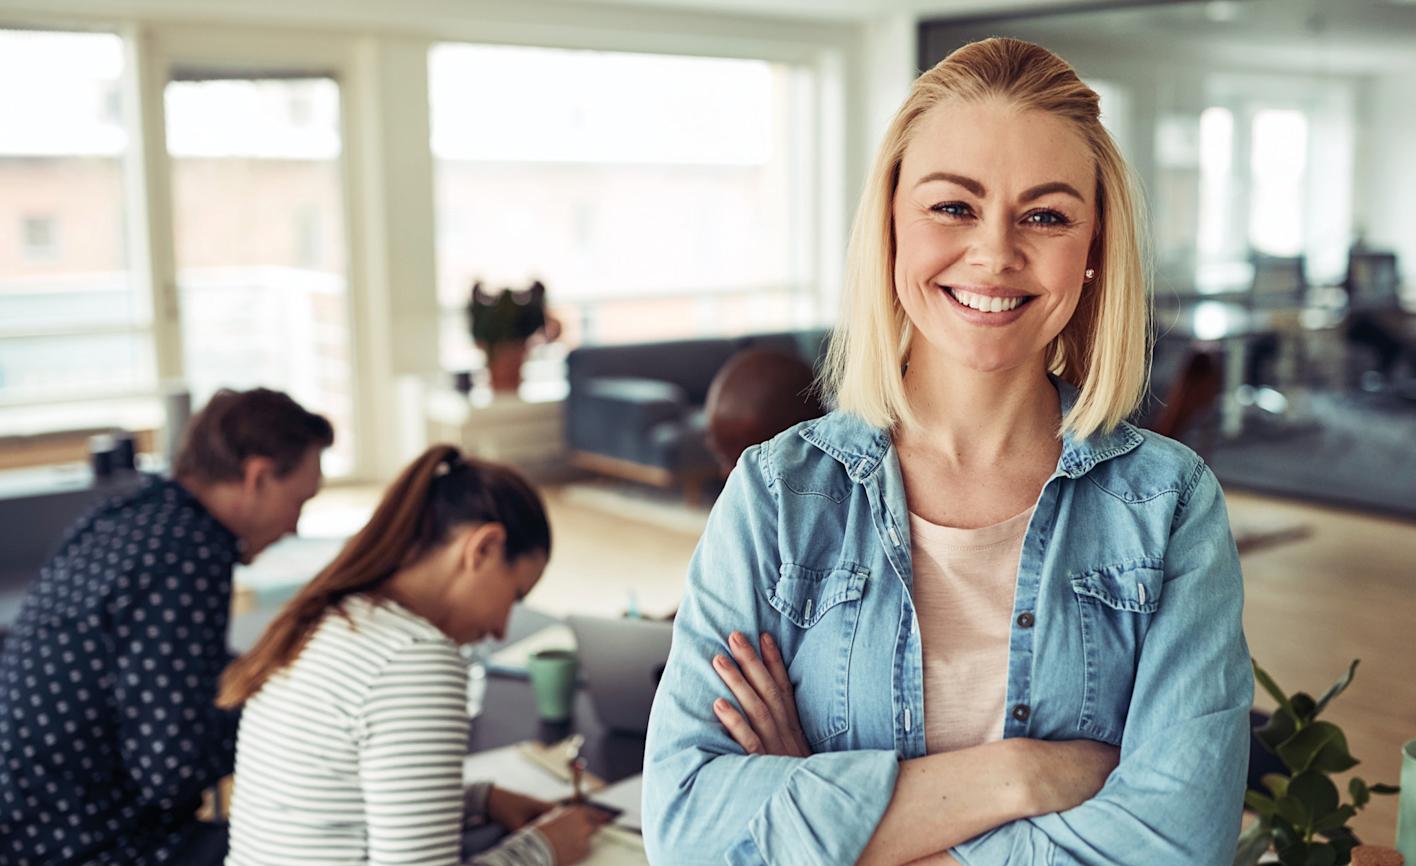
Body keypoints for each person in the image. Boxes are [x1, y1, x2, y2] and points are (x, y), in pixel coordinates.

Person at [642, 37, 1252, 866]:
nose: (996, 253)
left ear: (1094, 248)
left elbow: (1178, 844)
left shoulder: (1170, 503)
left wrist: (820, 807)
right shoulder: (779, 495)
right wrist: (1017, 778)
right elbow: (685, 830)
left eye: (1046, 215)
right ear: (891, 221)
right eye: (953, 207)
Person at [219, 445, 603, 866]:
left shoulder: (330, 617)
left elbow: (336, 804)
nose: (501, 629)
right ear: (484, 548)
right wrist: (545, 848)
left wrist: (480, 800)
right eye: (515, 596)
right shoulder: (414, 659)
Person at [0, 387, 333, 866]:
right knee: (325, 842)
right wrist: (290, 713)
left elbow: (161, 674)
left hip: (32, 833)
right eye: (299, 501)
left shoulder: (130, 517)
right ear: (258, 476)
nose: (294, 527)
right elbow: (171, 770)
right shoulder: (190, 550)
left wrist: (258, 673)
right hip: (91, 848)